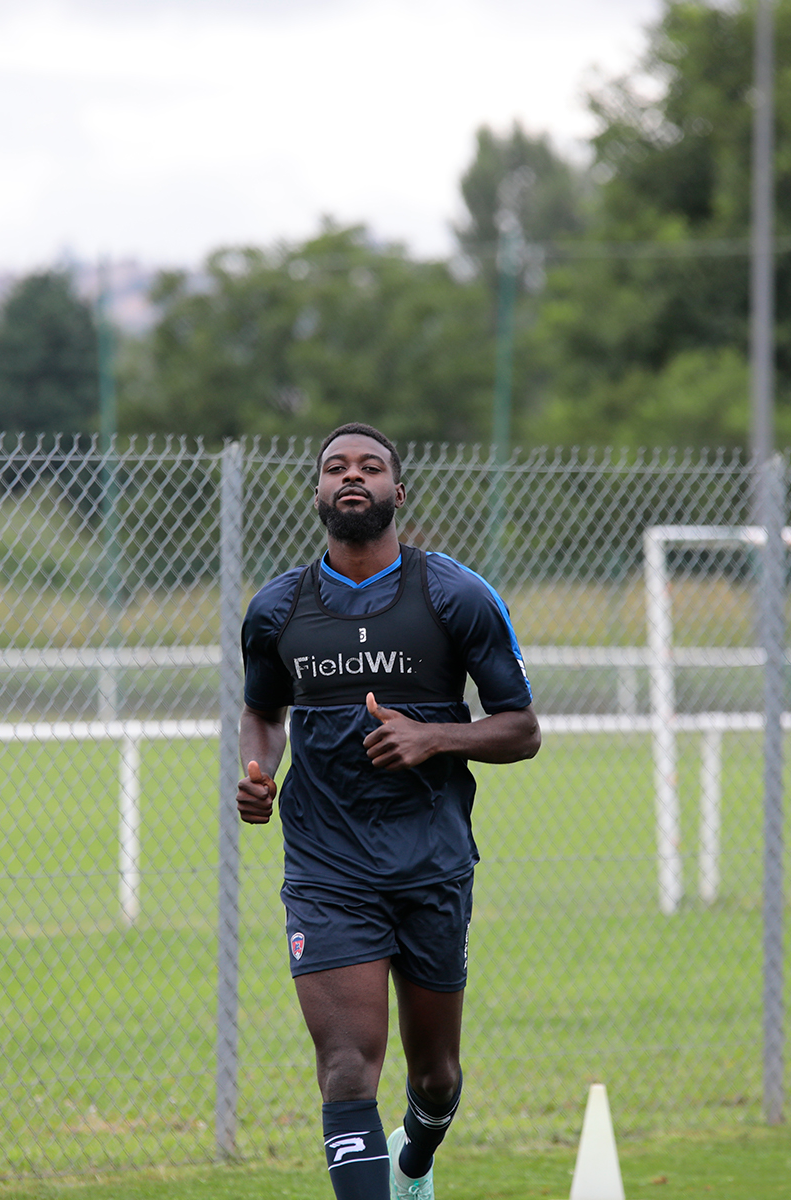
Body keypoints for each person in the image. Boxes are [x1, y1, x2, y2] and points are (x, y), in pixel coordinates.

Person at [236, 422, 539, 1200]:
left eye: (370, 467)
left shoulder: (454, 595)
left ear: (397, 493)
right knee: (345, 1068)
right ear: (317, 493)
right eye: (336, 467)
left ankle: (416, 1160)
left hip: (431, 861)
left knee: (435, 1077)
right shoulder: (278, 609)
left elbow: (521, 729)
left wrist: (433, 737)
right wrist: (259, 769)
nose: (352, 477)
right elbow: (263, 712)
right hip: (326, 866)